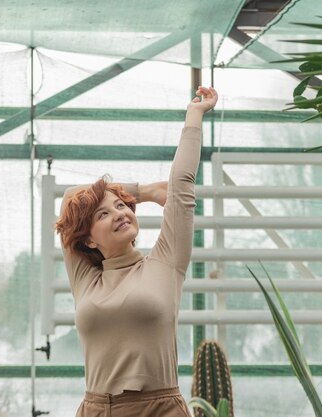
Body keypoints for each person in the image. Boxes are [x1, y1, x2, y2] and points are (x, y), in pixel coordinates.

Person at [55, 86, 218, 417]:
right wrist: (143, 191)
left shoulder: (165, 262)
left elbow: (183, 182)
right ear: (88, 240)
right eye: (103, 214)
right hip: (96, 408)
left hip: (159, 409)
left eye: (121, 206)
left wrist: (194, 116)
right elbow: (71, 197)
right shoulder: (85, 277)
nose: (119, 213)